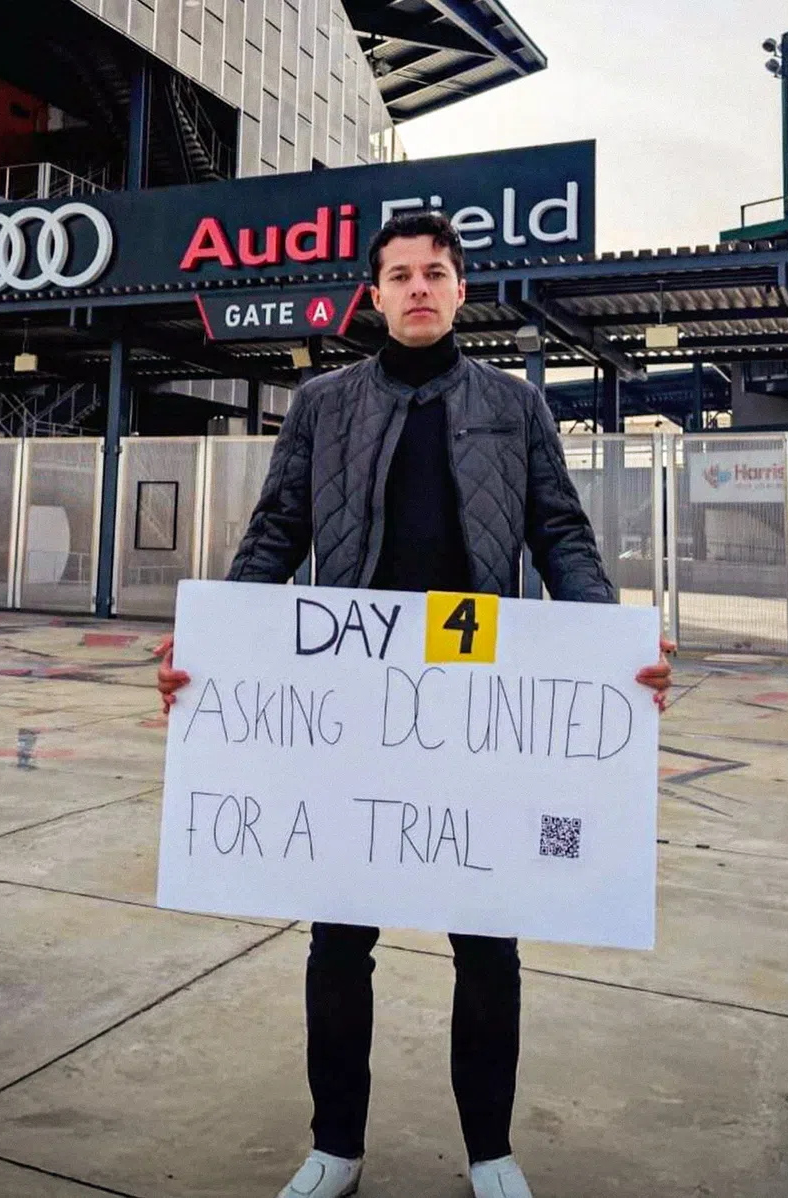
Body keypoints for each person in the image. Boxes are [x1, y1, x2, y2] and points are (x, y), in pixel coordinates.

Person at [155, 211, 673, 1198]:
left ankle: (490, 1152)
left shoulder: (515, 408)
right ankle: (334, 1148)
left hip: (474, 713)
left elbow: (559, 536)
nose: (418, 288)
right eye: (399, 275)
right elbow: (275, 536)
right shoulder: (323, 404)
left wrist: (609, 644)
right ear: (375, 293)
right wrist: (213, 641)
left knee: (487, 941)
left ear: (460, 285)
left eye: (435, 272)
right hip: (354, 711)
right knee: (337, 941)